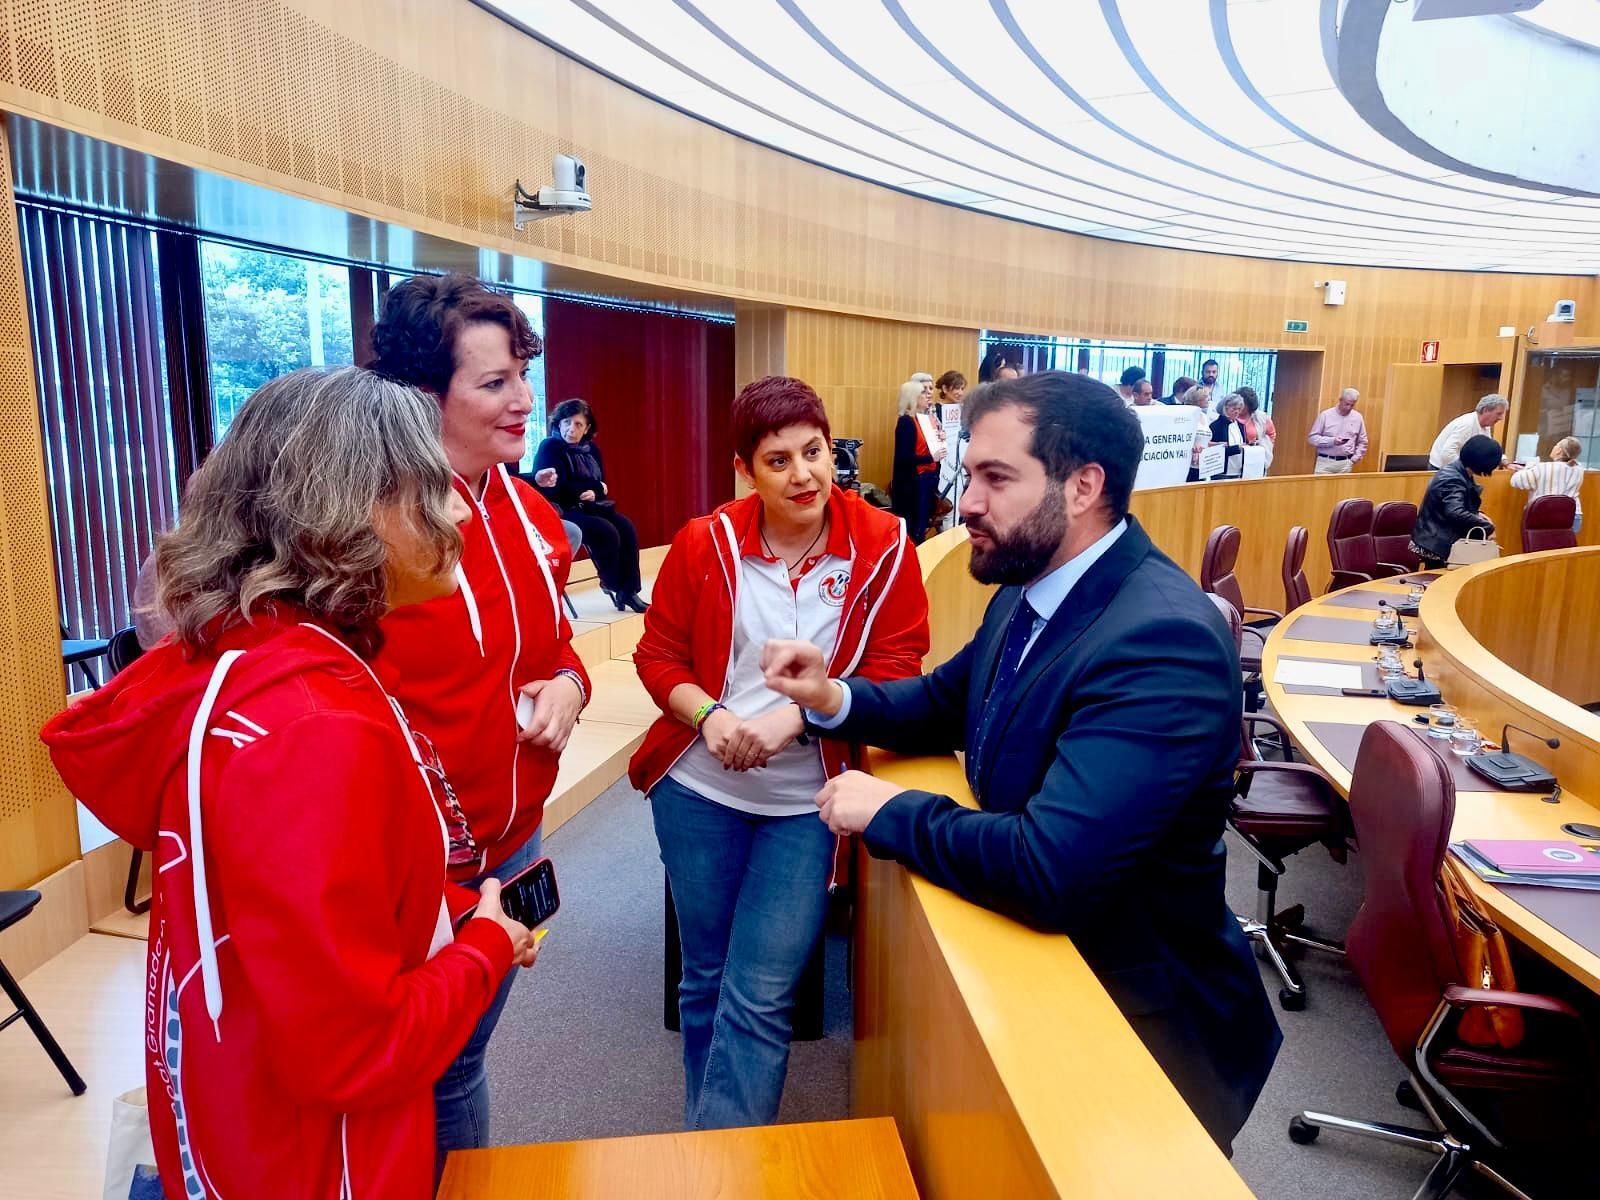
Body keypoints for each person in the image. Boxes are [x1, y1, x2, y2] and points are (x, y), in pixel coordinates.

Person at [42, 368, 540, 1199]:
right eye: (432, 488)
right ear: (348, 510)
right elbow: (354, 1051)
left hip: (243, 1123)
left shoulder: (250, 663)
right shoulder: (314, 725)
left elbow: (288, 925)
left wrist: (442, 914)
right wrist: (487, 944)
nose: (460, 512)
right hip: (319, 1162)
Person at [761, 371, 1280, 1151]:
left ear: (1083, 487)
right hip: (1051, 989)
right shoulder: (1030, 584)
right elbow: (943, 700)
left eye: (995, 478)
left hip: (1141, 1032)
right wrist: (830, 695)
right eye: (971, 473)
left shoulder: (1157, 640)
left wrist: (890, 812)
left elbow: (1050, 869)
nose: (966, 502)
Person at [631, 375, 930, 1130]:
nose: (803, 475)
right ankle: (713, 1149)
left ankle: (720, 1166)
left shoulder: (884, 544)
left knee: (760, 994)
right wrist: (710, 717)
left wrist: (794, 723)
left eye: (814, 452)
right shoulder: (708, 542)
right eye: (777, 460)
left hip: (807, 801)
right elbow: (658, 657)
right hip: (699, 790)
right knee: (703, 979)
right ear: (745, 469)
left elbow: (897, 666)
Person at [367, 273, 589, 1164]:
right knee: (433, 1071)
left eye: (523, 376)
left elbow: (557, 647)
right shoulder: (372, 526)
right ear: (426, 398)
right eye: (494, 383)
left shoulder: (530, 511)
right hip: (419, 869)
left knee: (459, 1061)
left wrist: (570, 685)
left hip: (515, 844)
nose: (524, 401)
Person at [533, 397, 649, 612]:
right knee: (605, 531)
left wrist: (595, 490)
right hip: (562, 509)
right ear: (558, 423)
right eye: (567, 422)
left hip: (591, 506)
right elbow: (555, 487)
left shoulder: (591, 450)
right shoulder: (550, 447)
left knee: (626, 527)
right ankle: (612, 583)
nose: (571, 429)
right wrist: (591, 488)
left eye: (578, 424)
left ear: (587, 428)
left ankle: (630, 591)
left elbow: (600, 483)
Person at [1411, 434, 1501, 567]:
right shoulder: (1453, 478)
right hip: (1436, 543)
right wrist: (1487, 527)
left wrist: (1479, 515)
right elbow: (1455, 512)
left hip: (1438, 538)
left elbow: (1460, 506)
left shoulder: (1459, 473)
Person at [891, 378, 945, 544]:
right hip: (913, 484)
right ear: (912, 397)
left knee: (922, 527)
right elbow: (903, 457)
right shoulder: (906, 422)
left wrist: (940, 440)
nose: (928, 395)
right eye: (923, 392)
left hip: (927, 479)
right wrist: (931, 457)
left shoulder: (926, 420)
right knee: (914, 530)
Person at [1510, 435, 1585, 534]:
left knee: (1541, 548)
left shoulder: (1543, 468)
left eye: (1556, 445)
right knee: (1564, 547)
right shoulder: (1579, 469)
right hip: (1573, 516)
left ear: (1559, 451)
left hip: (1544, 515)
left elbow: (1515, 481)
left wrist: (1529, 467)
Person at [1429, 393, 1510, 470]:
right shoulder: (1467, 424)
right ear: (1485, 410)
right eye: (1498, 413)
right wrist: (1469, 469)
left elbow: (1489, 451)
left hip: (1456, 470)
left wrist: (1506, 463)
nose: (1501, 418)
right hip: (1441, 471)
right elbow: (1447, 454)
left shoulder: (1485, 426)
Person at [1306, 387, 1367, 474]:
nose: (1349, 408)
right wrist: (1332, 441)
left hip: (1346, 463)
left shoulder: (1358, 417)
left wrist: (1354, 459)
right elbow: (1312, 438)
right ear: (1340, 400)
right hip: (1325, 462)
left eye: (1352, 405)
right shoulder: (1325, 415)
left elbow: (1363, 441)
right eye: (1347, 404)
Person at [1209, 393, 1251, 478]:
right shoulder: (1216, 426)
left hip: (1238, 470)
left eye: (1239, 409)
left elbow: (1243, 443)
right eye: (1234, 409)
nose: (1237, 411)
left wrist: (1250, 444)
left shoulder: (1240, 425)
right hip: (1221, 472)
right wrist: (1237, 448)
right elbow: (1215, 451)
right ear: (1225, 408)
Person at [1237, 385, 1275, 467]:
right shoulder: (1229, 415)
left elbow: (1272, 434)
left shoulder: (1262, 418)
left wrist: (1262, 444)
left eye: (1243, 404)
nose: (1240, 406)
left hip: (1255, 460)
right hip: (1235, 460)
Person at [1184, 384, 1214, 481]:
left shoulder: (1204, 416)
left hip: (1204, 464)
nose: (1208, 399)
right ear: (1197, 399)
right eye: (1205, 397)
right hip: (1189, 463)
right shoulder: (1187, 416)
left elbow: (1206, 440)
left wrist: (1219, 444)